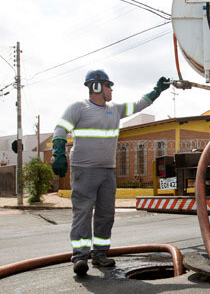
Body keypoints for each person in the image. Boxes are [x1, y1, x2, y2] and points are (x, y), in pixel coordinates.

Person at [52, 69, 170, 275]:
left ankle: (99, 254)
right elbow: (61, 128)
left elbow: (139, 104)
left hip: (107, 171)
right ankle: (80, 257)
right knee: (83, 212)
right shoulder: (78, 108)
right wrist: (58, 151)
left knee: (106, 214)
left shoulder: (114, 109)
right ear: (96, 86)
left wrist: (157, 91)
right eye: (108, 85)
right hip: (84, 170)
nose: (111, 89)